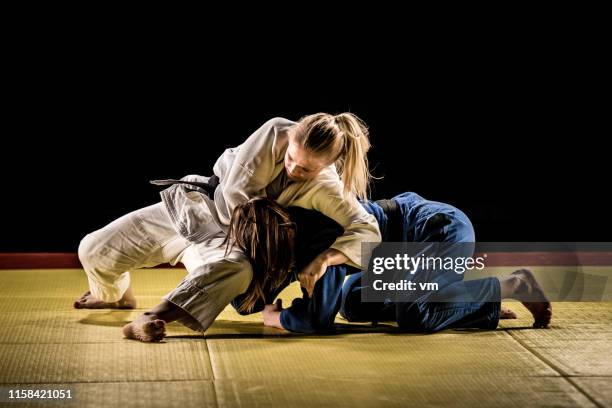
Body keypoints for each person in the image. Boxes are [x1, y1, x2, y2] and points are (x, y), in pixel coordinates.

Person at [74, 113, 382, 341]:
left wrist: (324, 259)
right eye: (290, 158)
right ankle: (112, 293)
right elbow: (237, 191)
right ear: (291, 139)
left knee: (238, 272)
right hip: (195, 210)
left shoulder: (328, 187)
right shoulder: (276, 131)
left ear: (326, 165)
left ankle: (152, 317)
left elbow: (368, 230)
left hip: (227, 243)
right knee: (91, 249)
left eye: (306, 169)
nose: (293, 168)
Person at [234, 193, 553, 333]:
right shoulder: (285, 238)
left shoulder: (317, 236)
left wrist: (275, 318)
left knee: (414, 314)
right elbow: (245, 302)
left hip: (439, 229)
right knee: (354, 303)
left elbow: (318, 319)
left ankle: (514, 284)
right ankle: (468, 303)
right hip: (401, 257)